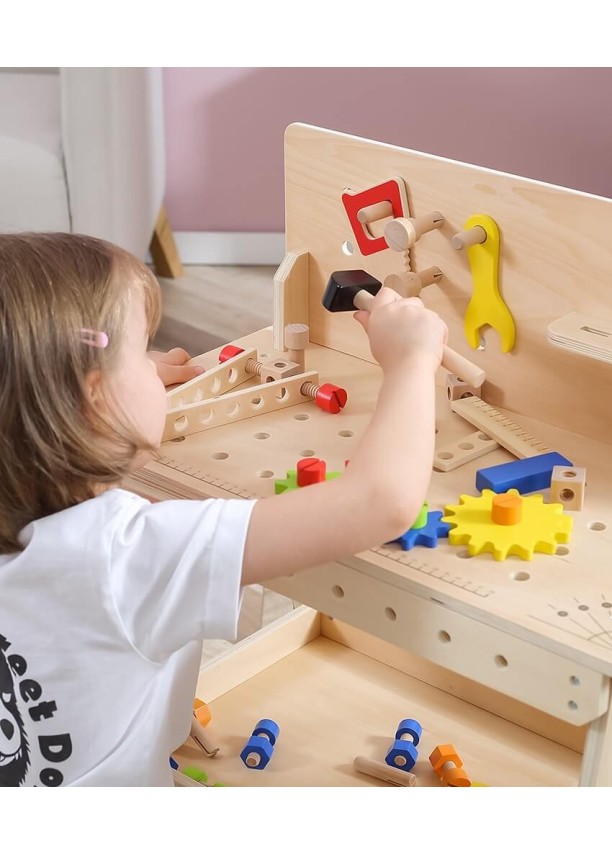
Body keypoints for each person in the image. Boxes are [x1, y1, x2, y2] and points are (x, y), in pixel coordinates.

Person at [0, 231, 448, 787]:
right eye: (142, 352)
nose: (156, 363)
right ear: (93, 403)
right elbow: (380, 502)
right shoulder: (128, 558)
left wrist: (122, 390)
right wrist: (411, 363)